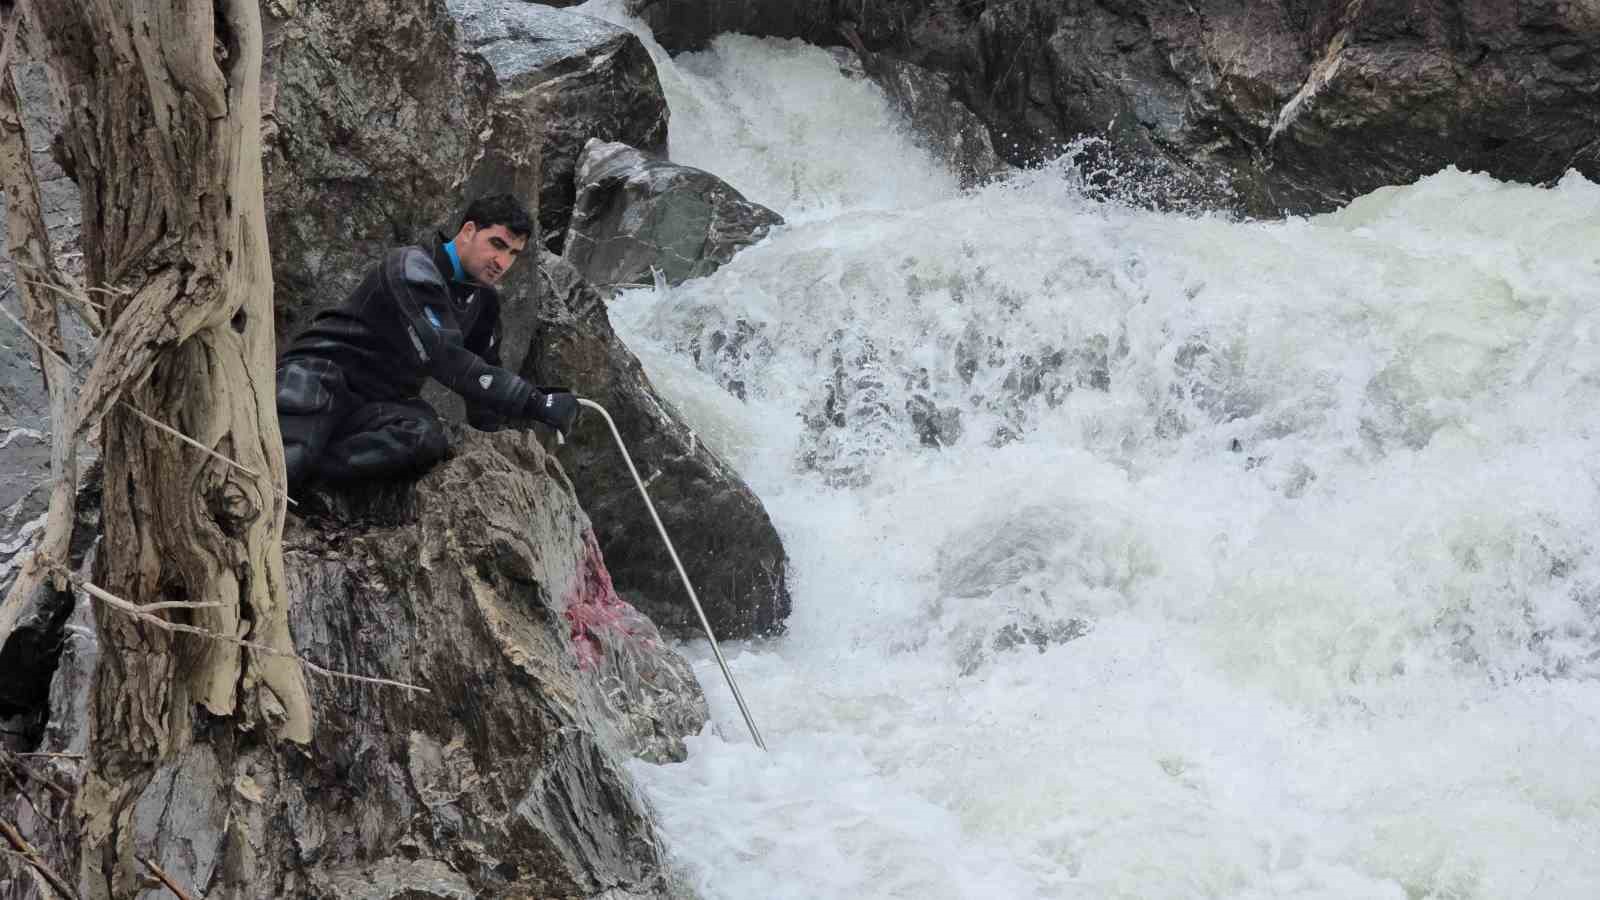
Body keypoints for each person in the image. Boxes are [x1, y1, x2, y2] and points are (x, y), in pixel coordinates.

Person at [275, 194, 577, 492]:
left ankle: (310, 487)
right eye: (497, 244)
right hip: (322, 376)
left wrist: (509, 440)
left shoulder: (483, 302)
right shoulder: (412, 267)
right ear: (469, 231)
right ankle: (291, 477)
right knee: (290, 455)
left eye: (513, 253)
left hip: (378, 404)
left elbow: (483, 385)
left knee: (424, 437)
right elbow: (443, 355)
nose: (502, 262)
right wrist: (536, 402)